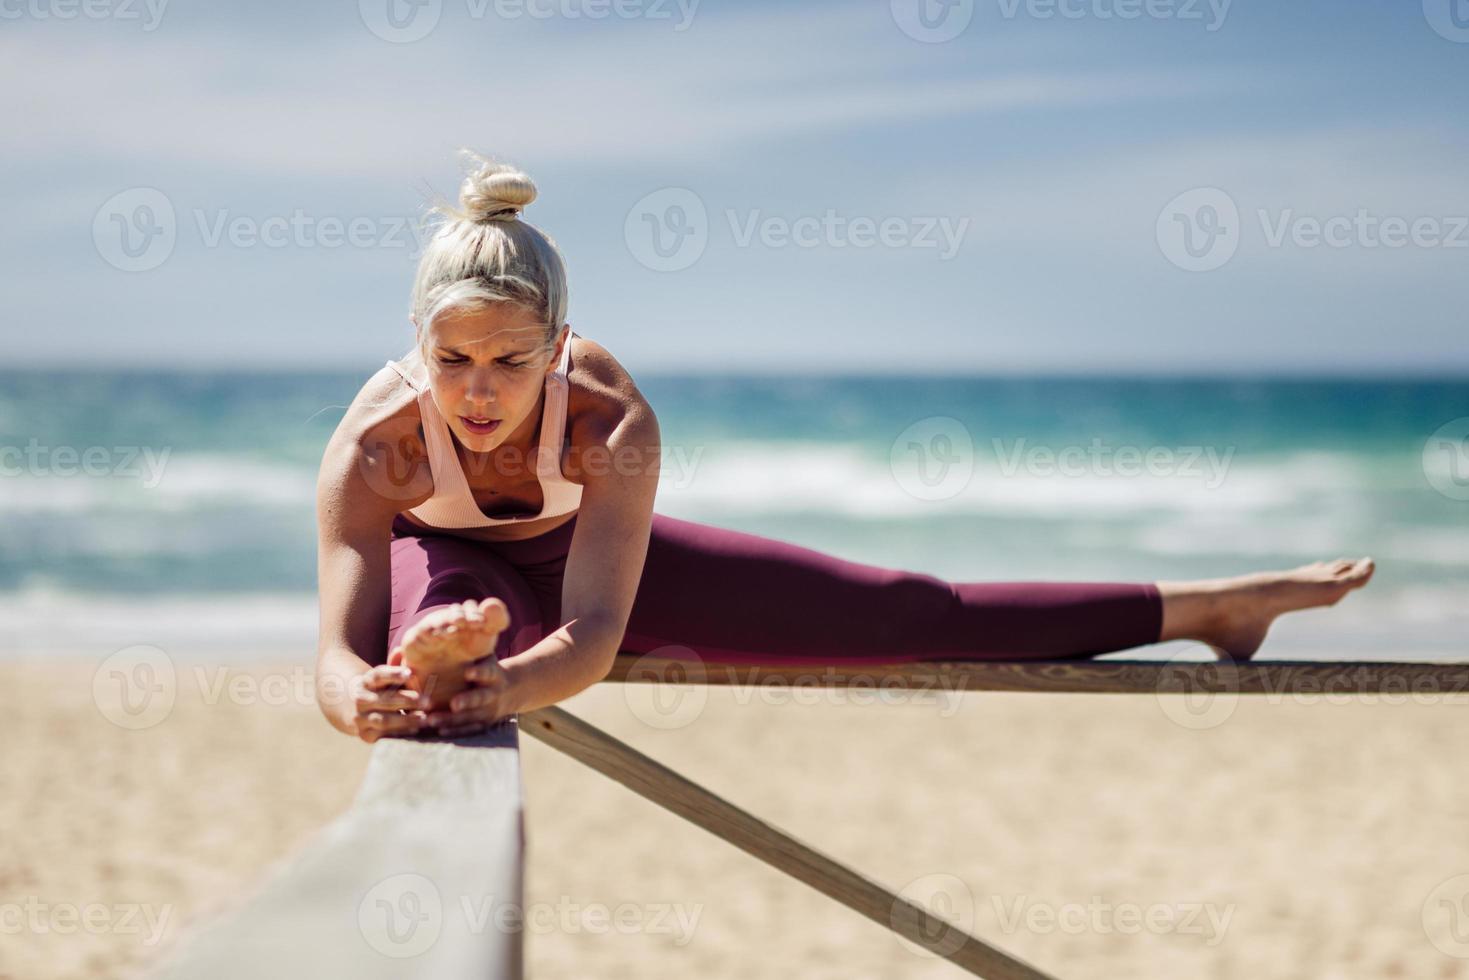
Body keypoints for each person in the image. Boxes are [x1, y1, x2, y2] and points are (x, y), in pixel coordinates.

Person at [313, 151, 1375, 744]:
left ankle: (1207, 608)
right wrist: (354, 694)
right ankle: (447, 655)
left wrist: (513, 686)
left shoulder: (608, 420)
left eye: (509, 360)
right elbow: (330, 648)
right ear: (418, 344)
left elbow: (593, 632)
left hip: (582, 565)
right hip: (445, 565)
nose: (480, 390)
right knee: (445, 600)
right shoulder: (377, 447)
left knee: (906, 610)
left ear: (560, 344)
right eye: (453, 361)